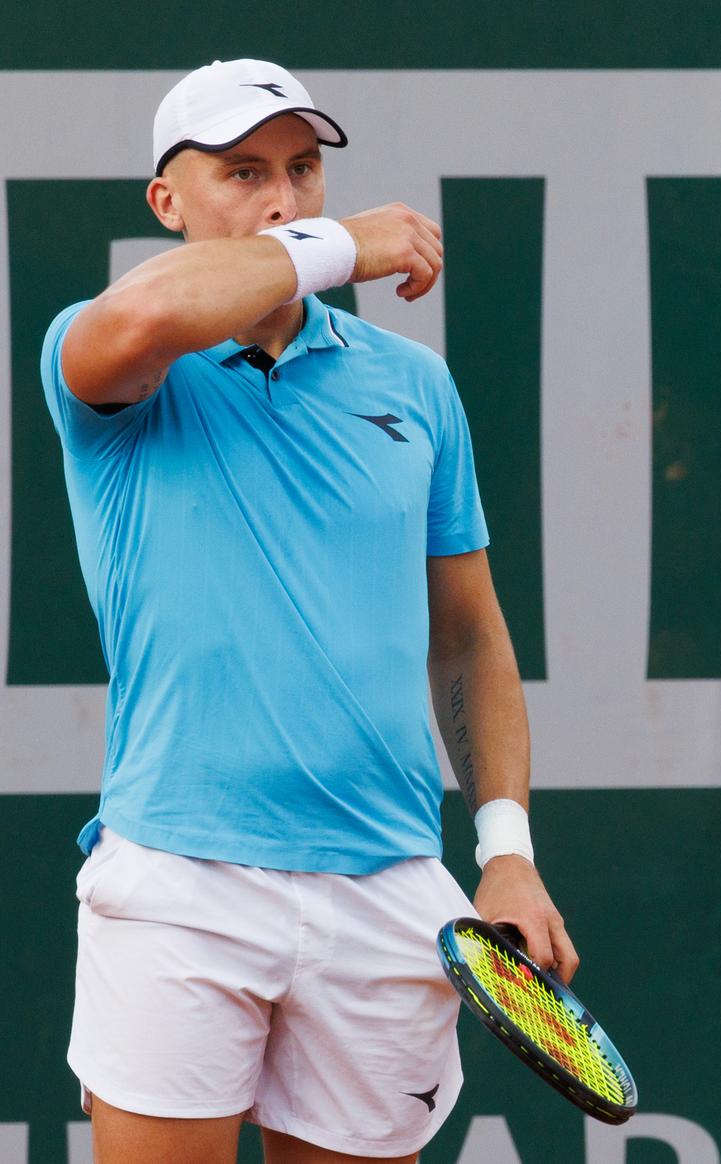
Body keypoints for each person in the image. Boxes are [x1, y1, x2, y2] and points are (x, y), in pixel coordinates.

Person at [42, 59, 576, 1163]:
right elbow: (145, 310)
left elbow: (468, 634)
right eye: (243, 172)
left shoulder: (415, 387)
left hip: (386, 886)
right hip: (181, 878)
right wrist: (347, 248)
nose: (283, 199)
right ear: (167, 202)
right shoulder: (111, 359)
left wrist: (508, 849)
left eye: (303, 170)